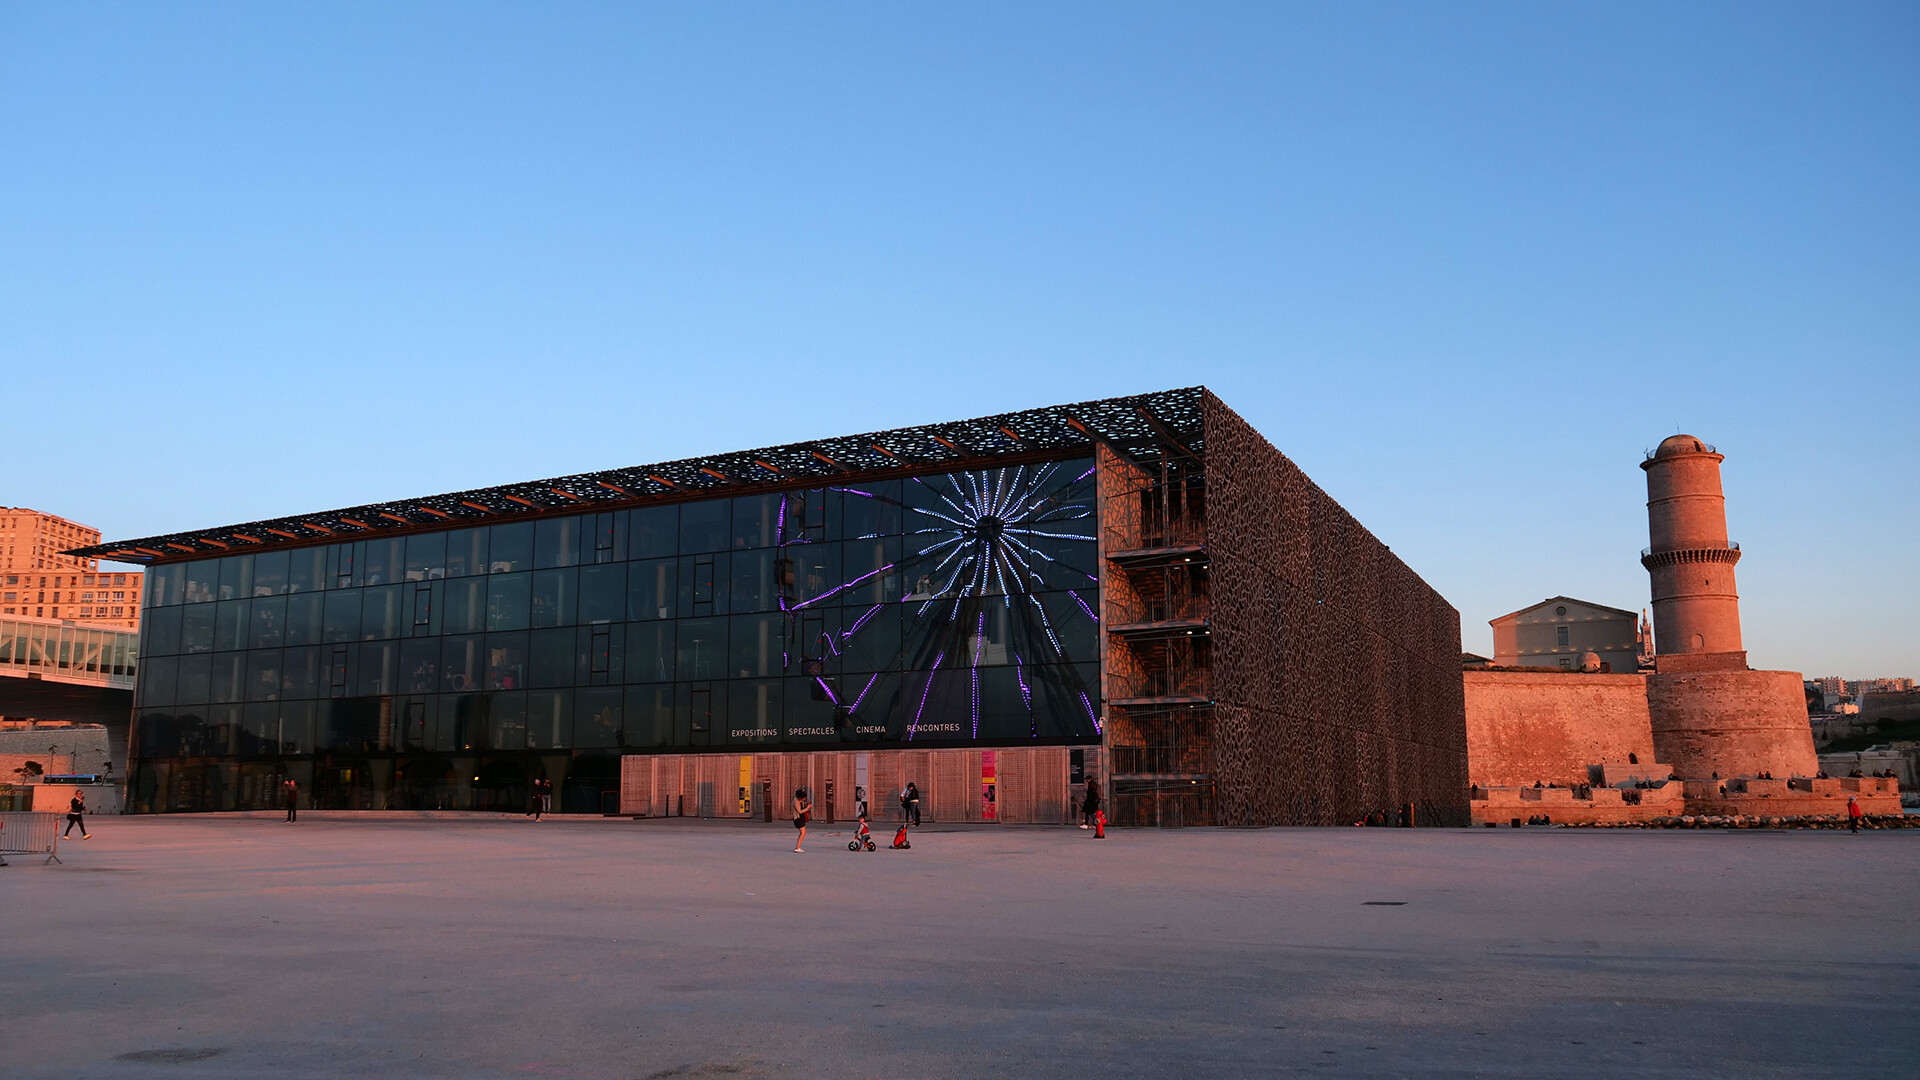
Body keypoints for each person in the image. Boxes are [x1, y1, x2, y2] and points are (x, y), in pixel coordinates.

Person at [792, 788, 812, 852]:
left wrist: (806, 803)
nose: (804, 799)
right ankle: (797, 848)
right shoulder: (796, 801)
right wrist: (808, 808)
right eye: (804, 798)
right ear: (800, 797)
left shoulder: (799, 800)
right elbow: (799, 811)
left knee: (802, 832)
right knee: (803, 832)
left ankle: (798, 847)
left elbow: (802, 804)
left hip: (801, 817)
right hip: (798, 818)